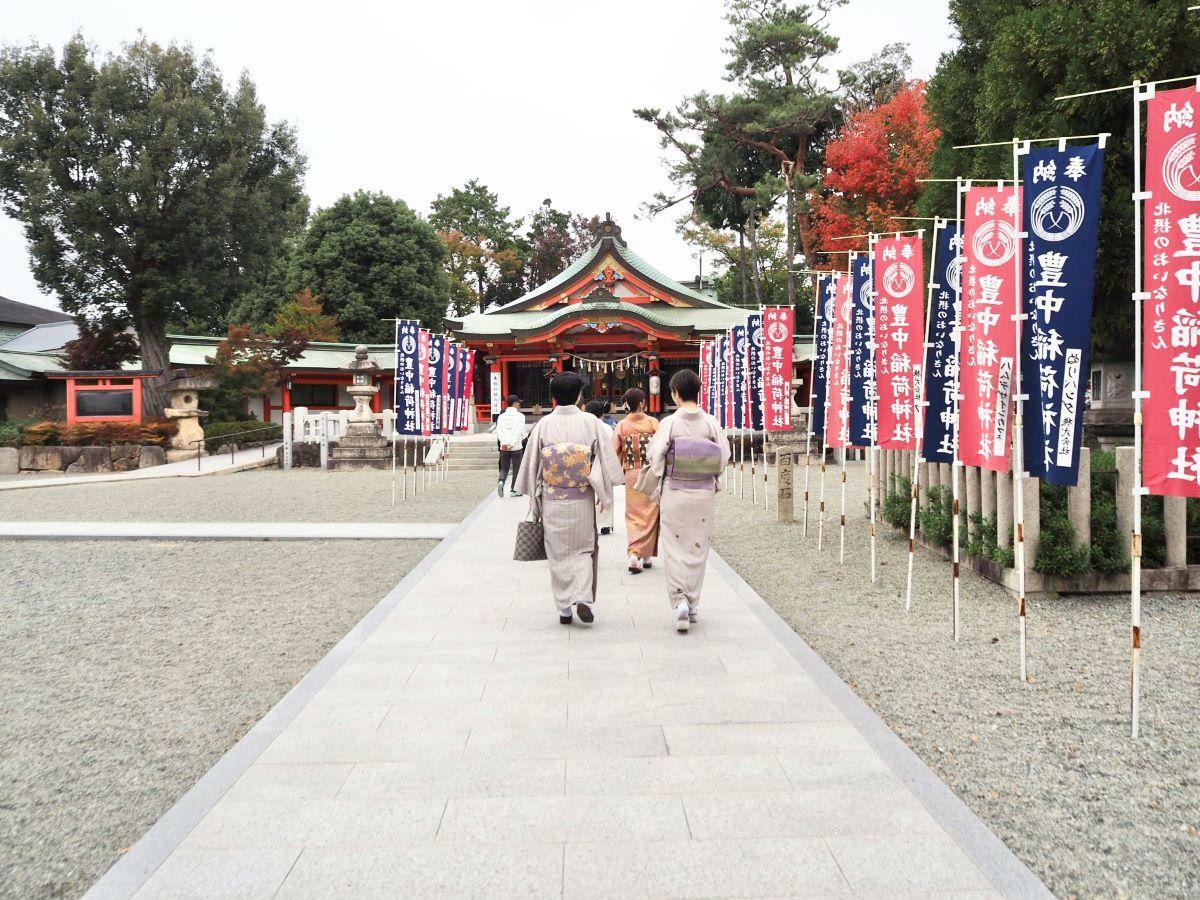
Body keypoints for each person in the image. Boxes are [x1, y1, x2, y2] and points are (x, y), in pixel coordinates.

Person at [515, 372, 623, 625]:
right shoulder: (591, 422)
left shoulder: (543, 425)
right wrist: (600, 487)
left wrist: (535, 497)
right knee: (584, 548)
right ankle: (584, 597)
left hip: (554, 498)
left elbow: (533, 466)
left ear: (553, 397)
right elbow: (605, 460)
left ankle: (564, 608)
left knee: (558, 552)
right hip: (582, 496)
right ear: (579, 395)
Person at [646, 368, 729, 633]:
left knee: (674, 547)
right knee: (698, 546)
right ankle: (693, 604)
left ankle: (679, 601)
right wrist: (708, 472)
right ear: (697, 391)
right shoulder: (711, 423)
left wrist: (662, 476)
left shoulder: (670, 423)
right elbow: (723, 456)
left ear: (676, 394)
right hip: (703, 492)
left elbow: (655, 456)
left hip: (675, 491)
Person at [612, 387, 660, 573]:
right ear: (642, 403)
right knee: (651, 513)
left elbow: (613, 451)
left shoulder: (622, 425)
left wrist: (614, 474)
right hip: (651, 473)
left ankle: (635, 553)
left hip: (631, 474)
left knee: (634, 514)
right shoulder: (653, 423)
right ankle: (645, 555)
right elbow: (664, 447)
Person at [585, 399, 616, 535]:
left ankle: (590, 522)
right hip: (604, 464)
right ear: (602, 414)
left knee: (589, 494)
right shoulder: (607, 428)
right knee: (605, 491)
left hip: (587, 464)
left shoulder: (584, 427)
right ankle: (606, 524)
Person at [491, 395, 527, 498]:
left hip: (504, 447)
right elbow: (519, 431)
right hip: (516, 447)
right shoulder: (520, 416)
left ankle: (501, 481)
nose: (519, 404)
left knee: (504, 468)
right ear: (515, 403)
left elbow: (499, 431)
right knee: (517, 468)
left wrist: (504, 443)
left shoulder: (501, 417)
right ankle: (514, 490)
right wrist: (512, 443)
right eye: (518, 402)